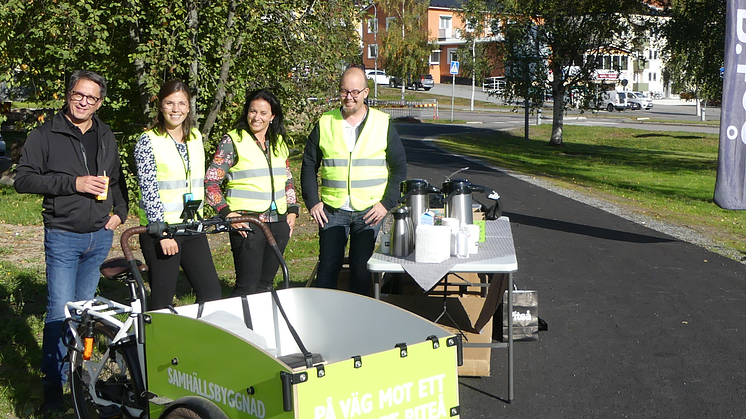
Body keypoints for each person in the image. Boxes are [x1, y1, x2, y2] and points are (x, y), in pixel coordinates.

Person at [14, 70, 129, 412]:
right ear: (68, 95)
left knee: (84, 315)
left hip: (99, 236)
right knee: (59, 312)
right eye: (78, 95)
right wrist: (74, 184)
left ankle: (78, 376)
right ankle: (53, 386)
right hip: (63, 235)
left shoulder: (106, 134)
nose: (83, 102)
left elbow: (117, 179)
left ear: (100, 102)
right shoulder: (45, 134)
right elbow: (23, 180)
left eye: (91, 98)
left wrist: (120, 212)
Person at [301, 66, 407, 295]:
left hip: (369, 210)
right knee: (328, 267)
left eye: (355, 92)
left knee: (362, 269)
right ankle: (323, 315)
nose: (349, 97)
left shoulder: (382, 122)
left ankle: (359, 318)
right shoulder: (325, 122)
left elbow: (399, 167)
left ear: (366, 92)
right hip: (332, 209)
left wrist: (387, 203)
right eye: (344, 92)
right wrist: (312, 201)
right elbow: (309, 164)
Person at [134, 79, 222, 310]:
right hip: (162, 231)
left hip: (192, 228)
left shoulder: (195, 137)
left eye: (182, 104)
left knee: (212, 294)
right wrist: (161, 233)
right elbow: (149, 188)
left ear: (189, 107)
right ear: (160, 106)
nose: (176, 109)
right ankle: (156, 344)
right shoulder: (149, 140)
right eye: (170, 103)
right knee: (163, 300)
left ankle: (200, 342)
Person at [205, 89, 299, 295]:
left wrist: (292, 210)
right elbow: (211, 182)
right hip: (249, 224)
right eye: (252, 111)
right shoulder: (232, 141)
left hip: (278, 222)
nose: (257, 117)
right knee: (247, 286)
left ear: (272, 116)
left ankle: (261, 326)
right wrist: (227, 214)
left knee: (266, 286)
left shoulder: (278, 142)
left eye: (263, 113)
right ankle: (238, 326)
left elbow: (288, 179)